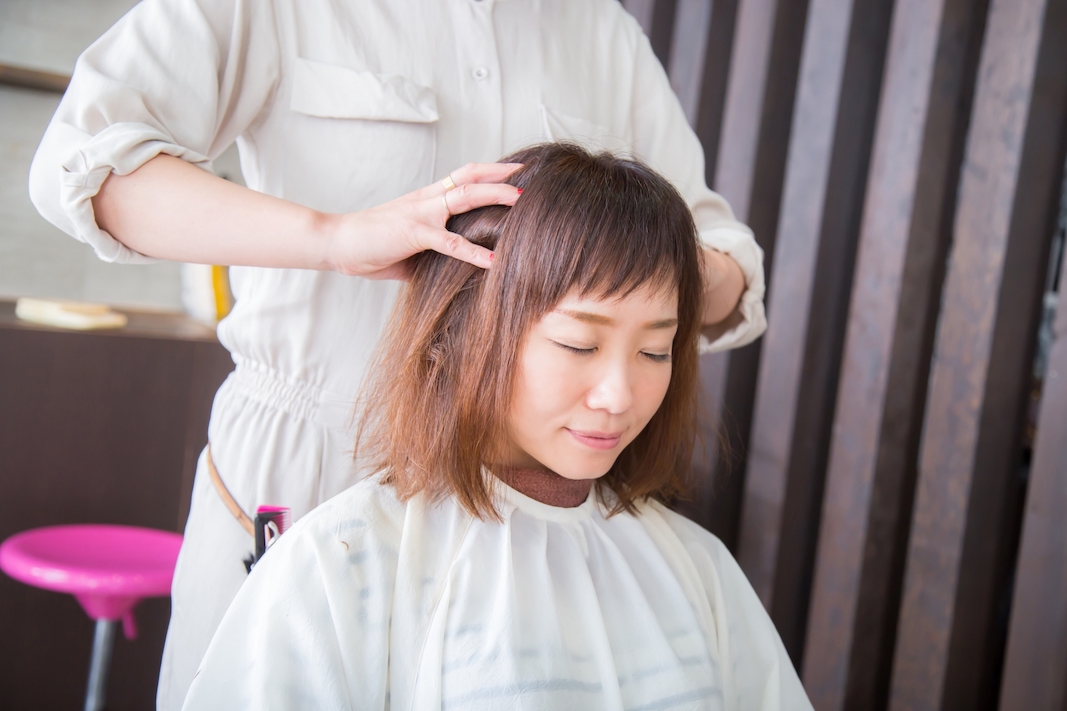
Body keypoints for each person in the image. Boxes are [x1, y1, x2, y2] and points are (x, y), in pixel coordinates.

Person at [29, 1, 768, 708]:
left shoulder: (598, 29)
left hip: (518, 506)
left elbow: (728, 262)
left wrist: (616, 267)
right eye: (579, 343)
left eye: (651, 348)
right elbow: (83, 164)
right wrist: (335, 238)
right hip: (309, 458)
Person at [181, 144, 804, 710]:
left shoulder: (696, 569)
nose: (619, 396)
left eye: (654, 351)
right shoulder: (340, 566)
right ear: (460, 333)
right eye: (579, 344)